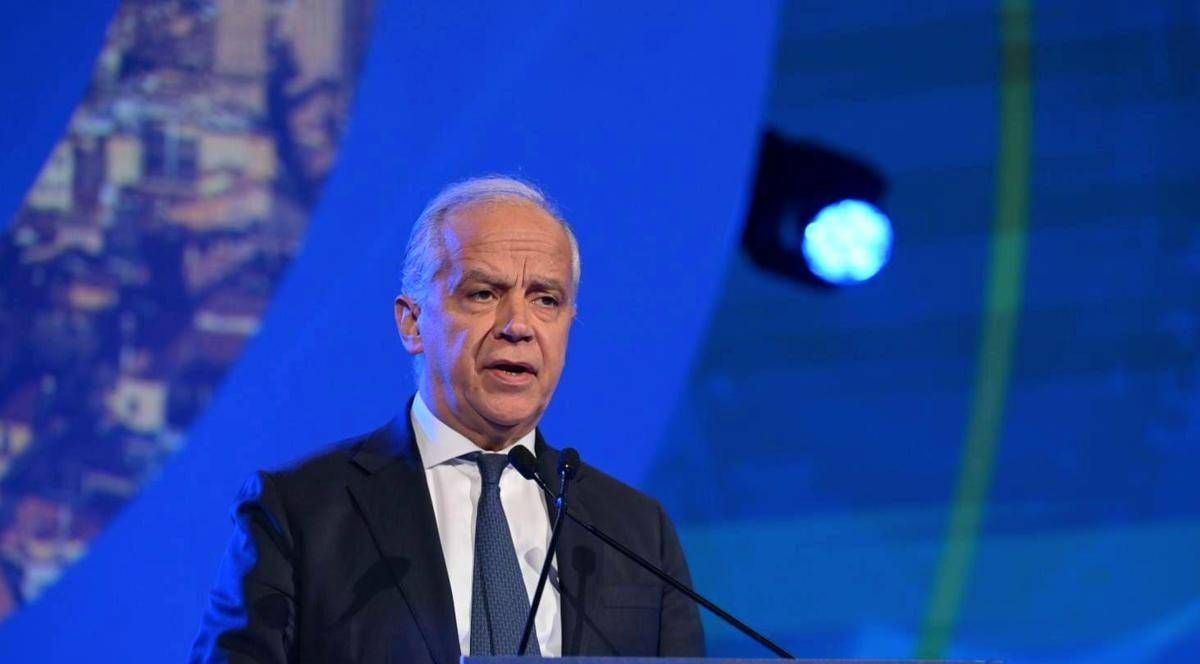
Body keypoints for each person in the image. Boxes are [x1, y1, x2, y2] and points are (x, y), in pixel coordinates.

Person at [190, 176, 704, 662]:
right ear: (412, 323)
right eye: (483, 294)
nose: (518, 325)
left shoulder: (638, 533)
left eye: (546, 299)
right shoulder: (299, 512)